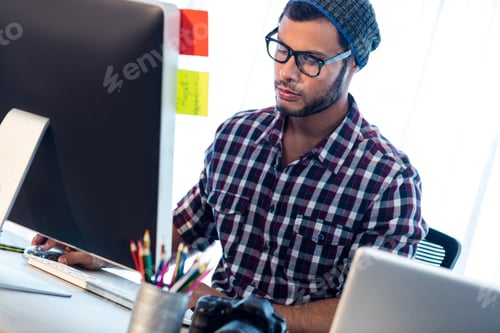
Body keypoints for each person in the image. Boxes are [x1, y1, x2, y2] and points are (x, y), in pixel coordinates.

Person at [34, 1, 428, 332]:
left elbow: (371, 316)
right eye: (282, 49)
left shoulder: (389, 180)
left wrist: (238, 310)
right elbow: (183, 235)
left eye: (311, 60)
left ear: (354, 64)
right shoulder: (238, 135)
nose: (287, 72)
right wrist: (102, 248)